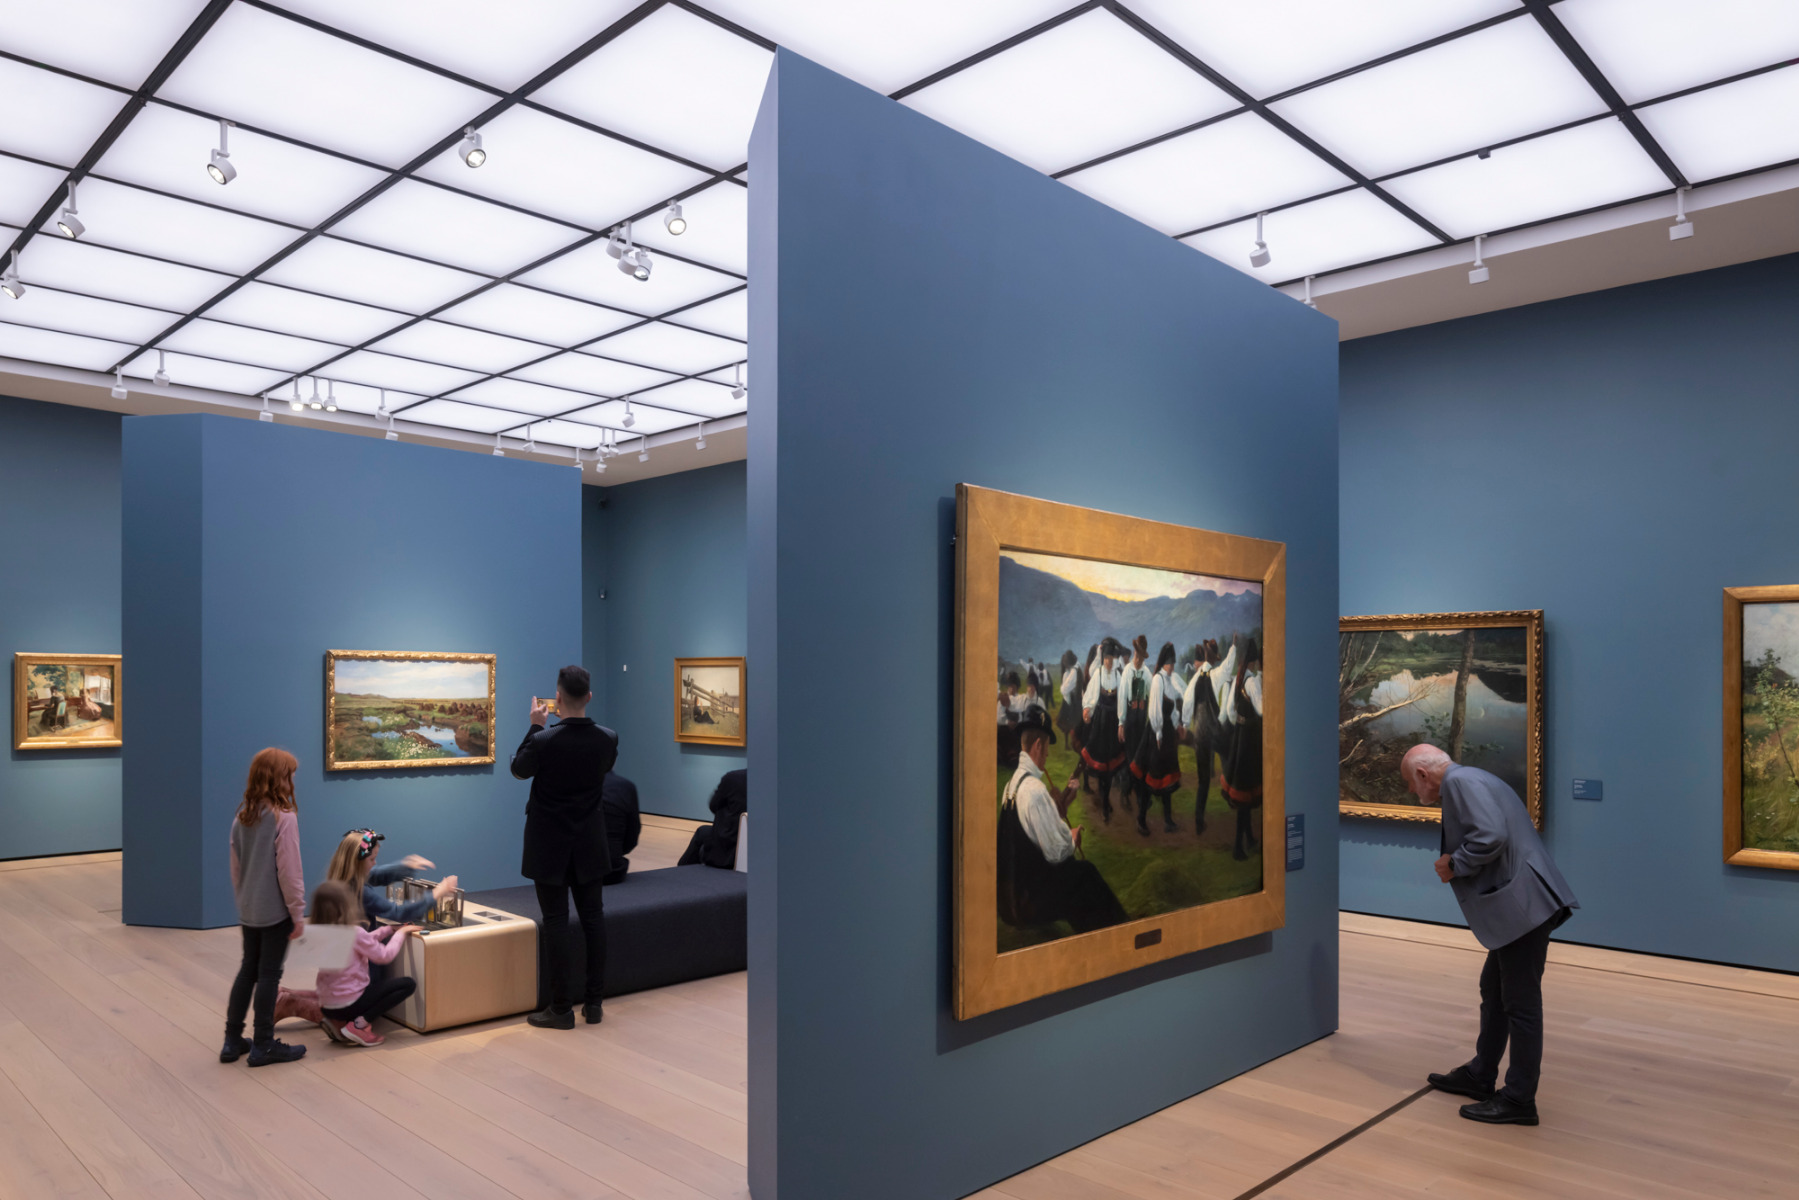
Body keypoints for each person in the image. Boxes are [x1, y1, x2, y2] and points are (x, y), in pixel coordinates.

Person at [1404, 744, 1581, 1126]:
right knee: (1496, 990)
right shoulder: (1473, 777)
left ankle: (1519, 1099)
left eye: (1409, 783)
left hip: (1523, 907)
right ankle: (1481, 1074)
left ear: (1422, 774)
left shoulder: (1459, 782)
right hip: (1522, 905)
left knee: (1521, 1003)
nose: (1411, 791)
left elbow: (1490, 836)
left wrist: (1455, 864)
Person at [511, 665, 618, 1029]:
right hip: (590, 840)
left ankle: (560, 1009)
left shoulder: (544, 740)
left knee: (556, 921)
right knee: (593, 918)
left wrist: (535, 725)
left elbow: (518, 770)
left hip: (549, 843)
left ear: (557, 699)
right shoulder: (608, 738)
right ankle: (595, 1004)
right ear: (589, 696)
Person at [996, 706, 1127, 934]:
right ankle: (1120, 928)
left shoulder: (1011, 786)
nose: (1047, 755)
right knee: (1085, 873)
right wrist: (1072, 838)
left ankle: (1096, 931)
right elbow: (1056, 853)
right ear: (1038, 746)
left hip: (1010, 899)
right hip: (1026, 903)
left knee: (1076, 878)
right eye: (1047, 748)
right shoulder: (1034, 790)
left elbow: (1031, 832)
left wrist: (1062, 804)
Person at [222, 747, 307, 1067]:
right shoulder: (285, 818)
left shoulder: (241, 818)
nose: (293, 780)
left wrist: (245, 902)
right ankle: (263, 1044)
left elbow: (236, 869)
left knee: (248, 970)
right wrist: (297, 913)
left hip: (250, 910)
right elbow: (290, 871)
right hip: (275, 913)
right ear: (278, 778)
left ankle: (232, 1040)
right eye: (290, 774)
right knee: (270, 974)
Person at [308, 880, 419, 1047]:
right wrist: (401, 933)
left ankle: (337, 1021)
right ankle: (359, 1025)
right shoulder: (354, 932)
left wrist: (388, 930)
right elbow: (385, 955)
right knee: (408, 984)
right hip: (348, 1005)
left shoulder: (321, 934)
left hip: (326, 1006)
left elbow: (364, 941)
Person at [324, 828, 458, 926]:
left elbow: (376, 875)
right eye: (372, 859)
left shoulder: (344, 879)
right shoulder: (359, 892)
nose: (375, 863)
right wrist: (436, 893)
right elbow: (399, 913)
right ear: (357, 862)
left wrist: (406, 866)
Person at [1215, 635, 1265, 861]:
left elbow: (1230, 712)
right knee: (1245, 797)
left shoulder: (1238, 678)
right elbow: (1262, 710)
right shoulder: (1252, 681)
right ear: (1254, 661)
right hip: (1250, 742)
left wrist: (1241, 725)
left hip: (1240, 739)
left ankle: (1249, 838)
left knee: (1244, 796)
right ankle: (1238, 846)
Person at [1133, 642, 1186, 835]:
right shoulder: (1158, 680)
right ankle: (1141, 819)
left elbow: (1172, 711)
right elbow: (1154, 710)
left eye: (1173, 663)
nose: (1171, 666)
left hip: (1168, 734)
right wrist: (1158, 733)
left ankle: (1168, 820)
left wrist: (1177, 724)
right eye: (1169, 663)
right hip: (1156, 734)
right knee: (1152, 778)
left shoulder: (1171, 681)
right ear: (1163, 662)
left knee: (1167, 778)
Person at [1080, 638, 1129, 821]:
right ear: (1103, 658)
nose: (1108, 661)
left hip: (1113, 724)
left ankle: (1107, 799)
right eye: (1106, 658)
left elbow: (1122, 700)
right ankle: (1104, 801)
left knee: (1111, 766)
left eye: (1111, 658)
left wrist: (1121, 723)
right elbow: (1091, 697)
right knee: (1100, 764)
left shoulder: (1118, 676)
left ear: (1115, 659)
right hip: (1100, 724)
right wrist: (1087, 710)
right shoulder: (1098, 674)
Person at [1181, 639, 1225, 835]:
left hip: (1200, 731)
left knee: (1203, 779)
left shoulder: (1196, 679)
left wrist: (1184, 724)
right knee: (1208, 775)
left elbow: (1187, 701)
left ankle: (1199, 820)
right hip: (1211, 732)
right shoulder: (1213, 675)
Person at [1117, 635, 1154, 828]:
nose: (1138, 658)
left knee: (1141, 760)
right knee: (1131, 759)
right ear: (1134, 653)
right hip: (1130, 720)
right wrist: (1121, 723)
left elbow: (1151, 697)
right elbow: (1122, 697)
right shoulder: (1127, 672)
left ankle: (1139, 795)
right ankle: (1126, 792)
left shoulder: (1147, 674)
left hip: (1142, 721)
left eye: (1141, 655)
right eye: (1137, 654)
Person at [680, 769, 747, 868]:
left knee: (702, 832)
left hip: (729, 842)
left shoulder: (733, 777)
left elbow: (714, 805)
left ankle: (682, 869)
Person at [602, 771, 642, 885]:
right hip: (612, 871)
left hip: (568, 873)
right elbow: (632, 836)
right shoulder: (625, 786)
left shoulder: (561, 784)